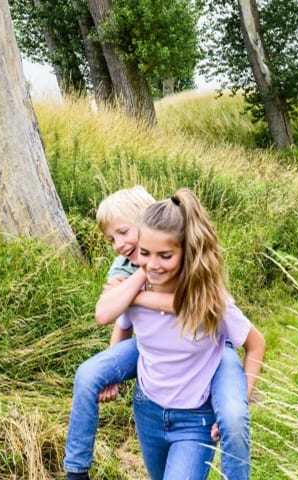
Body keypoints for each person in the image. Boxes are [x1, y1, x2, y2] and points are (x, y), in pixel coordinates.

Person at [64, 186, 256, 480]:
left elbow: (193, 306)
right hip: (150, 405)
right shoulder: (130, 271)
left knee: (233, 415)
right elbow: (114, 319)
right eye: (112, 239)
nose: (118, 245)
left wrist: (136, 292)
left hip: (196, 407)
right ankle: (76, 472)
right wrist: (112, 374)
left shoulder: (199, 287)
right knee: (88, 373)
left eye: (124, 233)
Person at [114, 189, 266, 480]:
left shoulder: (211, 301)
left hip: (196, 418)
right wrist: (112, 377)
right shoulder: (136, 288)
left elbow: (256, 344)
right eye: (145, 253)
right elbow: (118, 324)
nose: (153, 264)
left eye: (166, 255)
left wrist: (240, 402)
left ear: (187, 252)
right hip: (148, 411)